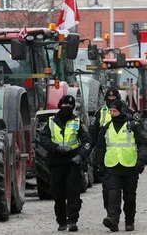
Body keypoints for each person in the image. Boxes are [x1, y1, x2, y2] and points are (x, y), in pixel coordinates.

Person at [39, 95, 92, 232]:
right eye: (64, 106)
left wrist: (80, 156)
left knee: (73, 193)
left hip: (73, 163)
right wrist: (55, 148)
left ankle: (72, 221)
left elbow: (87, 141)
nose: (67, 109)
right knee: (58, 194)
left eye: (70, 107)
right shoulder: (50, 122)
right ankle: (61, 221)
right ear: (59, 105)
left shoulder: (77, 122)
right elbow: (43, 139)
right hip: (56, 163)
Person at [94, 100, 147, 232]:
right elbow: (100, 148)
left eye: (115, 111)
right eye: (111, 111)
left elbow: (143, 144)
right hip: (112, 166)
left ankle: (129, 221)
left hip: (130, 166)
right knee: (112, 193)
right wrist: (98, 164)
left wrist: (141, 161)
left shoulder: (133, 126)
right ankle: (113, 219)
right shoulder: (106, 128)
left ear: (121, 111)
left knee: (129, 196)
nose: (112, 114)